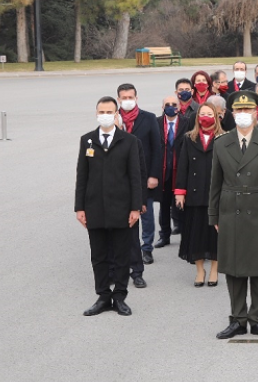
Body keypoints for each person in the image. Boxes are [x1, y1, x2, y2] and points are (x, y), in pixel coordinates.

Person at [210, 91, 258, 340]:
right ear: (232, 114)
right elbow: (215, 183)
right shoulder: (221, 143)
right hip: (230, 211)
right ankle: (237, 319)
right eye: (239, 111)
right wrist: (214, 216)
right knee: (233, 268)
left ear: (257, 114)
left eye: (248, 111)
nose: (244, 115)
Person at [74, 97, 142, 317]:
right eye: (101, 111)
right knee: (99, 256)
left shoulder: (129, 141)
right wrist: (79, 208)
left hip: (122, 208)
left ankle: (120, 296)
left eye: (109, 112)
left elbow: (135, 177)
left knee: (122, 255)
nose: (105, 115)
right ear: (96, 113)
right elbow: (81, 177)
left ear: (116, 115)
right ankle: (103, 295)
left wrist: (135, 208)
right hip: (95, 208)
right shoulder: (87, 140)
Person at [116, 83, 160, 284]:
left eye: (130, 97)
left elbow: (157, 149)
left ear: (136, 97)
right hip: (121, 181)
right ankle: (126, 263)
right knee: (126, 223)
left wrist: (153, 175)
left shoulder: (149, 118)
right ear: (118, 99)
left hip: (144, 176)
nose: (127, 100)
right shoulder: (113, 119)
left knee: (147, 214)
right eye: (123, 97)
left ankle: (147, 248)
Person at [175, 101, 223, 287]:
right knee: (195, 235)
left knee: (215, 235)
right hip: (194, 194)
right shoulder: (189, 138)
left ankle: (214, 270)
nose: (206, 118)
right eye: (202, 114)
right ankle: (200, 270)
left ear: (216, 117)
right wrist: (180, 192)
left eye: (210, 114)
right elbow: (183, 167)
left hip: (216, 194)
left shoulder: (224, 137)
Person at [157, 95, 189, 249]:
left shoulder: (187, 123)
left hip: (180, 170)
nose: (170, 107)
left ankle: (185, 236)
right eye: (167, 104)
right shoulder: (155, 123)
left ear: (179, 106)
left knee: (181, 206)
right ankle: (164, 235)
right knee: (163, 206)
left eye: (174, 104)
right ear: (162, 107)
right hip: (163, 172)